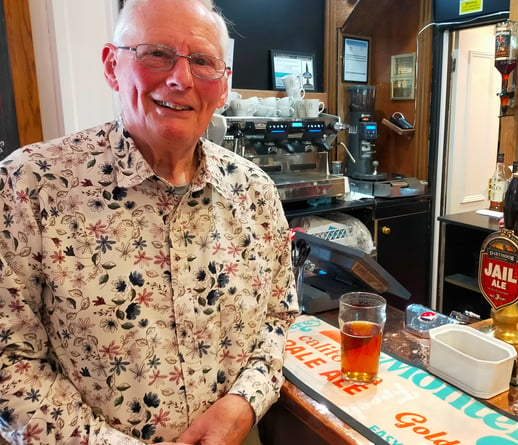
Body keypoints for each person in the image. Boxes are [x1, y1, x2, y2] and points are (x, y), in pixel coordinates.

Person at [0, 0, 298, 443]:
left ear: (222, 87)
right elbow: (9, 362)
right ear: (111, 66)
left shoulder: (254, 191)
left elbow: (279, 317)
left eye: (202, 61)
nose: (180, 79)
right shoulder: (29, 185)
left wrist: (245, 402)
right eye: (156, 53)